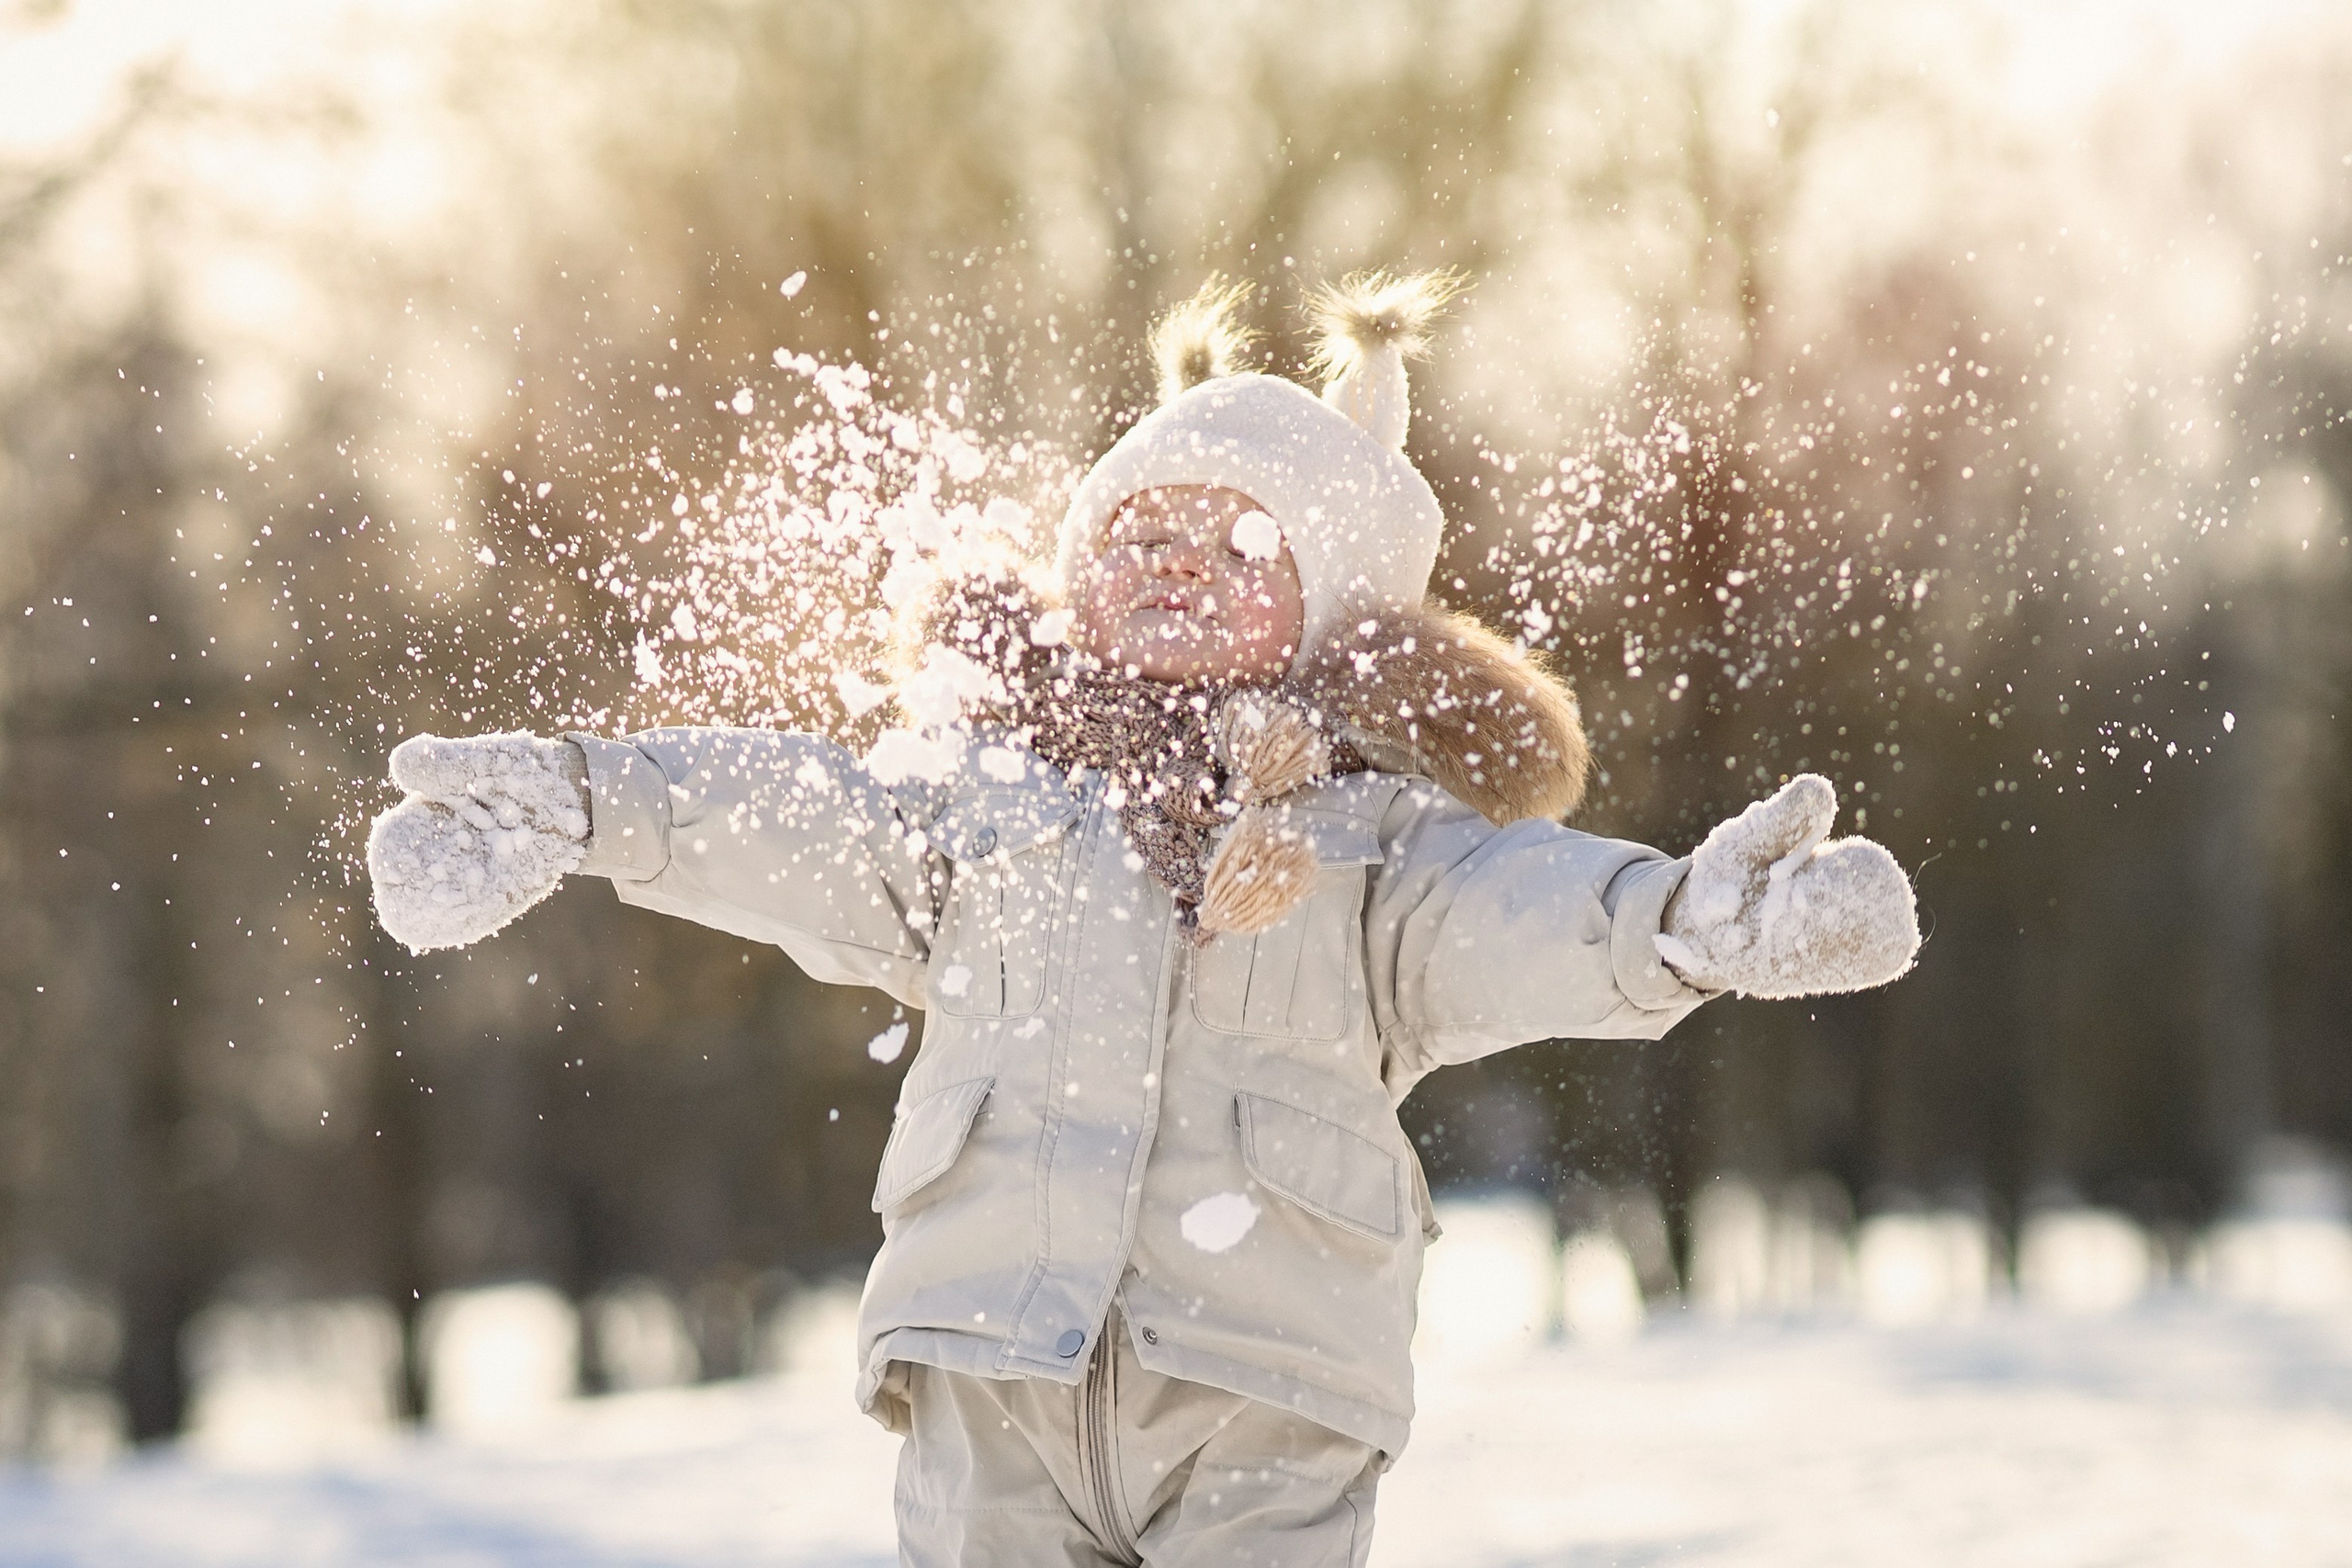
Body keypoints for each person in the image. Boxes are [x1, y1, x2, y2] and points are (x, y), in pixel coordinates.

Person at [368, 271, 1919, 1566]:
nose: (1173, 564)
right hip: (988, 1370)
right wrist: (582, 803)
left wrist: (1686, 924)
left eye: (1239, 543)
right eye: (1138, 536)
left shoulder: (1378, 846)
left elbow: (1522, 914)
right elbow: (800, 822)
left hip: (1262, 1388)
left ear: (1329, 604)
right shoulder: (981, 800)